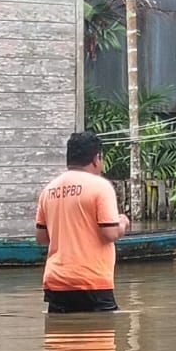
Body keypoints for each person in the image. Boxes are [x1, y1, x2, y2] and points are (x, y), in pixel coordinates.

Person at [35, 131, 130, 313]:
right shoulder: (100, 186)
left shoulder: (49, 190)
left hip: (57, 281)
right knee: (99, 335)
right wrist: (122, 223)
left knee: (60, 338)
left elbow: (41, 237)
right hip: (92, 281)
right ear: (96, 158)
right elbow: (109, 233)